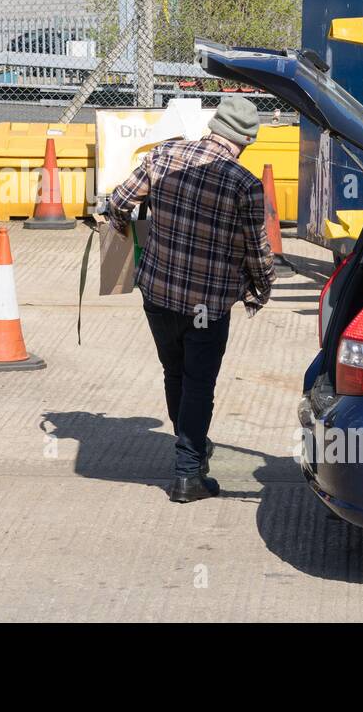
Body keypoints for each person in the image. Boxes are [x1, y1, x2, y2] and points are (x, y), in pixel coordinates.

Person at [106, 95, 275, 503]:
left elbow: (117, 202)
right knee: (199, 384)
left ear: (214, 126)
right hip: (206, 304)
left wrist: (125, 238)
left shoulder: (164, 156)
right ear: (245, 141)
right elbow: (256, 249)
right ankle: (187, 474)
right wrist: (262, 287)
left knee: (175, 373)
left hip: (158, 293)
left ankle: (192, 445)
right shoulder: (244, 183)